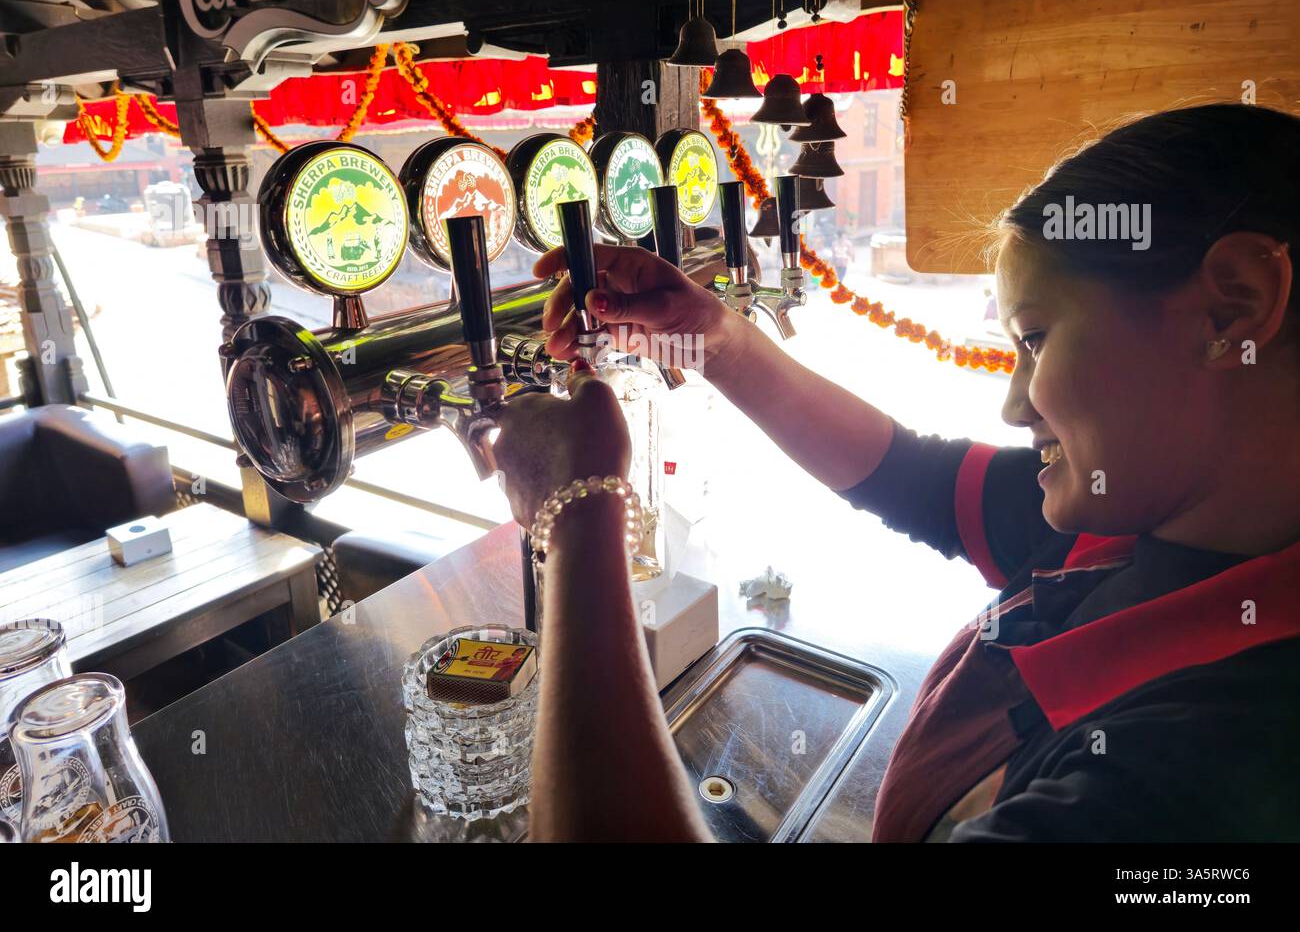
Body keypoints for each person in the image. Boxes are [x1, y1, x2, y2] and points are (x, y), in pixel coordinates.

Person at [492, 104, 1300, 843]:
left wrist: (578, 509)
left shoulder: (1213, 771)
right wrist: (712, 339)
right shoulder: (1135, 524)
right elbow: (911, 477)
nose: (1015, 408)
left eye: (1039, 338)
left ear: (1232, 307)